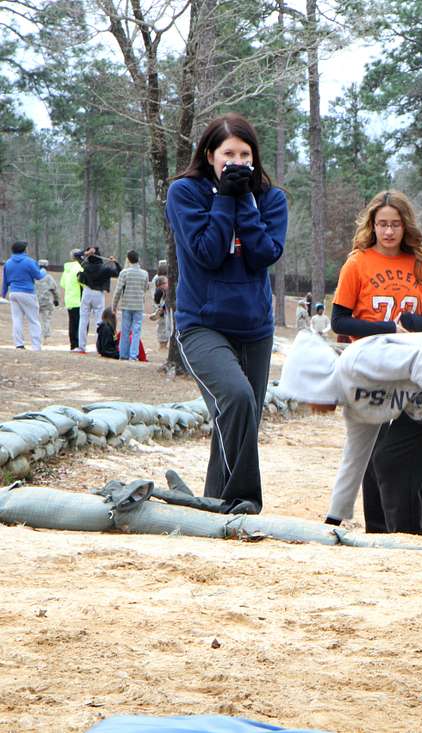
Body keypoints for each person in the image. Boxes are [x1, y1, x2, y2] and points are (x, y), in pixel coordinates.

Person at [166, 112, 287, 514]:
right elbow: (207, 252)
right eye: (228, 153)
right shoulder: (185, 193)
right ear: (209, 154)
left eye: (245, 154)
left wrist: (245, 202)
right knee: (236, 399)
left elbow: (264, 255)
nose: (237, 162)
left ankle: (217, 505)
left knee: (238, 423)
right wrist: (222, 199)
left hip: (255, 327)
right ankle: (246, 500)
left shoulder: (271, 198)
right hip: (201, 324)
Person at [279, 330, 422, 538]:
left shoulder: (356, 362)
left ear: (312, 381)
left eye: (304, 397)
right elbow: (354, 459)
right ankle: (408, 541)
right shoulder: (354, 404)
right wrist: (334, 519)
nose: (309, 406)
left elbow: (416, 360)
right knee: (393, 461)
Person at [330, 189, 422, 535]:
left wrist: (408, 324)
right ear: (372, 226)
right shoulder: (357, 263)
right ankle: (378, 527)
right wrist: (384, 328)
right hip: (371, 366)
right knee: (373, 445)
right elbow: (339, 321)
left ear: (405, 226)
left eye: (395, 224)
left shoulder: (420, 265)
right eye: (382, 224)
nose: (388, 231)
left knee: (414, 444)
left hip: (412, 368)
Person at [75, 247, 121, 353]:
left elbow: (77, 255)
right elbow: (118, 272)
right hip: (98, 294)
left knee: (83, 319)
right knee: (99, 321)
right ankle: (99, 346)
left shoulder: (86, 266)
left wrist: (86, 253)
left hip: (86, 293)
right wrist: (115, 262)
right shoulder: (105, 269)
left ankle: (81, 346)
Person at [2, 241, 45, 350]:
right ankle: (36, 346)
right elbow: (38, 276)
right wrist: (43, 270)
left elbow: (5, 281)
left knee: (17, 319)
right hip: (27, 292)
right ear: (24, 250)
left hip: (14, 293)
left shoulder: (8, 263)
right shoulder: (29, 261)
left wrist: (3, 294)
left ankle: (19, 344)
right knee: (33, 320)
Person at [112, 250, 151, 362]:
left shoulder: (124, 273)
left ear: (128, 260)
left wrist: (114, 306)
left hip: (127, 304)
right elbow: (146, 288)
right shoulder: (144, 273)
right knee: (136, 331)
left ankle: (123, 354)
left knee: (125, 330)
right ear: (138, 259)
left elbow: (118, 290)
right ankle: (133, 355)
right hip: (138, 305)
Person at [60, 250, 84, 351]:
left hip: (69, 299)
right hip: (78, 299)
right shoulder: (80, 268)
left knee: (72, 323)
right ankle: (79, 344)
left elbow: (63, 283)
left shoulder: (67, 269)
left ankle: (73, 345)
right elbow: (83, 283)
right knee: (79, 323)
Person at [33, 259, 60, 342]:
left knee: (35, 319)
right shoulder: (49, 278)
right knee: (46, 319)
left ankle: (36, 335)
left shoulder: (34, 277)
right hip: (46, 302)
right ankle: (45, 337)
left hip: (35, 301)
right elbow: (54, 290)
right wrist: (56, 300)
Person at [150, 275, 172, 350]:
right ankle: (163, 346)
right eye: (160, 288)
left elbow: (169, 302)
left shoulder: (171, 290)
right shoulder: (163, 292)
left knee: (168, 328)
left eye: (162, 286)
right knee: (164, 327)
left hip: (170, 313)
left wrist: (162, 309)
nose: (162, 289)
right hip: (165, 313)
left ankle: (165, 346)